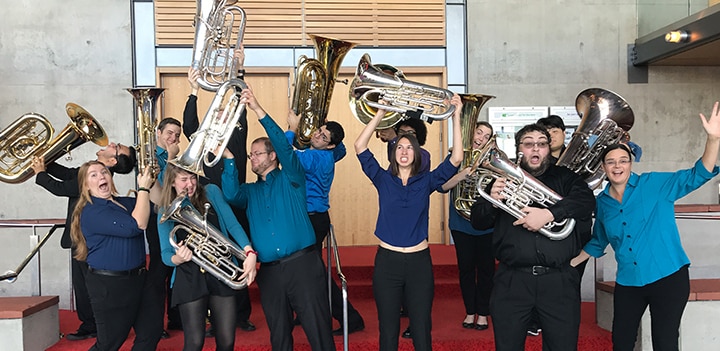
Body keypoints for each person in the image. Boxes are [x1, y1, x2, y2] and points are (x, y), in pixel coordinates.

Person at [570, 102, 720, 351]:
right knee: (622, 341)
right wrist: (571, 264)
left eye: (623, 161)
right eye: (611, 162)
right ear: (603, 167)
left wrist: (713, 139)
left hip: (668, 277)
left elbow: (698, 174)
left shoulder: (655, 185)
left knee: (664, 341)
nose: (617, 166)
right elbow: (598, 241)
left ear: (630, 163)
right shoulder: (602, 203)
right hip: (629, 282)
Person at [221, 86, 336, 351]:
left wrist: (258, 110)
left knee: (318, 331)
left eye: (257, 153)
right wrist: (229, 160)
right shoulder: (249, 192)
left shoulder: (291, 176)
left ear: (272, 156)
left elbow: (285, 147)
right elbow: (230, 194)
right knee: (279, 337)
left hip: (303, 266)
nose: (252, 158)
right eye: (250, 155)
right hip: (270, 273)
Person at [470, 123, 595, 351]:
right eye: (528, 144)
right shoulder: (499, 180)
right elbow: (478, 222)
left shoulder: (566, 178)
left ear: (549, 148)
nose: (535, 149)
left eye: (541, 144)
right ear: (519, 149)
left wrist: (549, 214)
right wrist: (491, 199)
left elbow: (587, 202)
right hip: (512, 281)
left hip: (558, 281)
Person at [354, 95, 464, 351]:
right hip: (387, 262)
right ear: (393, 153)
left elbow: (456, 158)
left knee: (421, 329)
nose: (404, 151)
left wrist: (456, 115)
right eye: (399, 147)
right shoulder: (382, 179)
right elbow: (360, 145)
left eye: (409, 148)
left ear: (417, 154)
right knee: (388, 330)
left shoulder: (426, 182)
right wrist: (380, 114)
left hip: (418, 263)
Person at [31, 142, 136, 341]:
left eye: (117, 147)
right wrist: (45, 158)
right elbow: (67, 174)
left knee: (85, 285)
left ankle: (92, 325)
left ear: (112, 161)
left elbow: (60, 187)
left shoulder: (93, 179)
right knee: (83, 284)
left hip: (84, 239)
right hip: (82, 238)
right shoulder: (89, 172)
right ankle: (92, 323)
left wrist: (40, 173)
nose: (111, 143)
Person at [184, 50, 256, 333]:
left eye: (228, 112)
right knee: (215, 256)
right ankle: (215, 316)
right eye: (220, 113)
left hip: (236, 200)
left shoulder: (237, 130)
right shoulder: (204, 138)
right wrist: (192, 91)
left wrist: (238, 69)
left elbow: (241, 98)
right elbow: (190, 124)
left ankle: (241, 314)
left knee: (239, 253)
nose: (224, 114)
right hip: (209, 203)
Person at [156, 164, 257, 351]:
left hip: (220, 269)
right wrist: (178, 258)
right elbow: (165, 255)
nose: (190, 184)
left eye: (193, 178)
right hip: (189, 276)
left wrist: (248, 252)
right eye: (183, 179)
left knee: (227, 341)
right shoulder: (165, 210)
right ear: (171, 182)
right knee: (194, 343)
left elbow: (232, 224)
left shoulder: (211, 192)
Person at [285, 111, 366, 336]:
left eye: (323, 137)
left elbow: (284, 152)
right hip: (315, 218)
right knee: (307, 271)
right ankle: (305, 311)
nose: (317, 135)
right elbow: (343, 149)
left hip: (311, 219)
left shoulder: (313, 158)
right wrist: (326, 125)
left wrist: (292, 128)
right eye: (319, 131)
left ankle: (351, 318)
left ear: (329, 146)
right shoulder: (332, 153)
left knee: (314, 273)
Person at [70, 160, 156, 351]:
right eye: (94, 175)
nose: (101, 176)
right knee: (109, 344)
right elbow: (137, 225)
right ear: (85, 185)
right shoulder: (91, 211)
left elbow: (155, 204)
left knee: (151, 332)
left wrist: (152, 178)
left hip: (139, 280)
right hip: (110, 286)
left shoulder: (124, 202)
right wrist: (142, 187)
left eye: (104, 172)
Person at [436, 121, 494, 331]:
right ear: (471, 134)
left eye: (487, 136)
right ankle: (470, 311)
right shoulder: (455, 158)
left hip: (487, 225)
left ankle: (484, 313)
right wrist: (462, 174)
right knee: (466, 269)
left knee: (487, 270)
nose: (481, 138)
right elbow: (441, 186)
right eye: (479, 132)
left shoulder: (493, 161)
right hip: (461, 224)